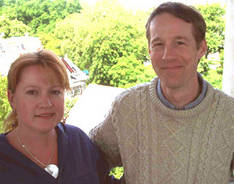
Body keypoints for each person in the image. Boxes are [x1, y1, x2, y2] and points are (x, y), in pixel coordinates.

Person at [90, 2, 234, 184]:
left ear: (201, 48)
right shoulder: (127, 107)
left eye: (179, 43)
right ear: (149, 49)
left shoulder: (229, 114)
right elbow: (88, 161)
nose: (167, 55)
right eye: (158, 44)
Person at [0, 50, 110, 184]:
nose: (46, 103)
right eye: (32, 92)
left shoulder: (78, 141)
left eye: (55, 92)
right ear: (12, 99)